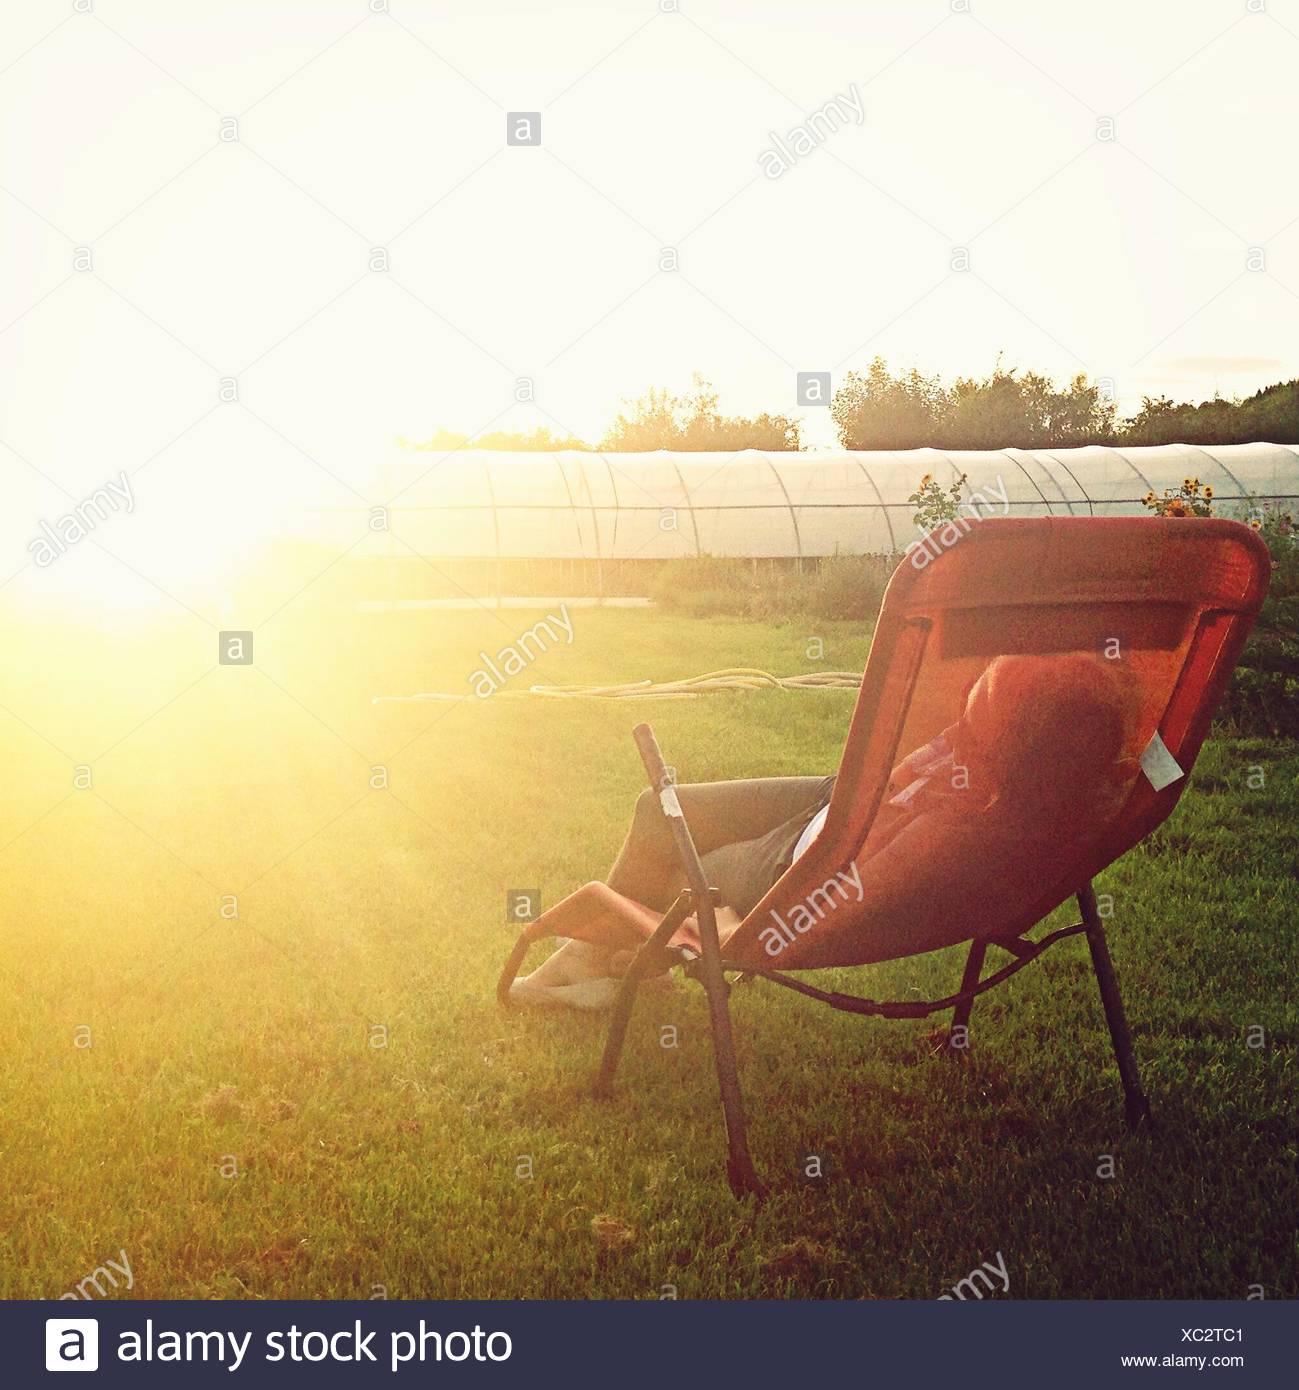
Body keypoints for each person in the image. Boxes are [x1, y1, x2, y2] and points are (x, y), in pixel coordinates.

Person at [508, 652, 1141, 1007]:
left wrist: (734, 933)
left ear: (1005, 739)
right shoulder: (1072, 784)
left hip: (797, 861)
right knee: (658, 808)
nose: (982, 682)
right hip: (845, 803)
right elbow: (1144, 758)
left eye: (993, 690)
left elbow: (839, 901)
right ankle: (611, 959)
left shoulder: (951, 832)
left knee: (673, 857)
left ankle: (587, 962)